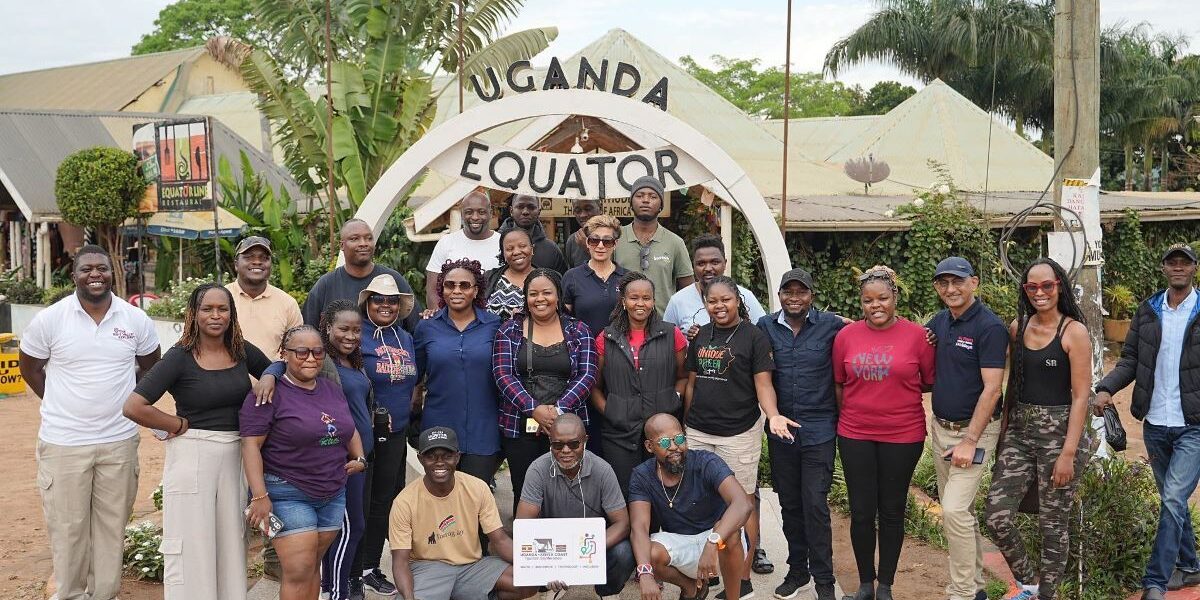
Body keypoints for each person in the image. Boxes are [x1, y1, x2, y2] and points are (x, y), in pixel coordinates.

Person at [19, 245, 161, 600]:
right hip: (64, 443)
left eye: (102, 268)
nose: (95, 274)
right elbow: (30, 369)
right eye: (86, 269)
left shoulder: (135, 320)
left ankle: (104, 594)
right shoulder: (50, 320)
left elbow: (151, 371)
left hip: (119, 442)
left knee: (112, 527)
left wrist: (129, 406)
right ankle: (70, 594)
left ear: (113, 273)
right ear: (74, 276)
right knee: (69, 529)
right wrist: (61, 404)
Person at [122, 283, 271, 600]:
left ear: (231, 314)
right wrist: (175, 423)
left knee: (232, 541)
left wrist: (268, 377)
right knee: (193, 543)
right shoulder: (180, 357)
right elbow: (134, 406)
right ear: (194, 313)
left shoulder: (240, 350)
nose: (216, 315)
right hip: (193, 455)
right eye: (208, 309)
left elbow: (275, 367)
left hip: (235, 455)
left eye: (223, 309)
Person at [1095, 243, 1200, 600]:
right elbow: (1129, 360)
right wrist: (1106, 388)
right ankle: (1190, 565)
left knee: (1172, 498)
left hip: (1193, 425)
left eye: (1184, 263)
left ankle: (1155, 582)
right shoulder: (1148, 311)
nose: (1178, 268)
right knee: (1173, 500)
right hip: (1155, 423)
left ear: (1194, 268)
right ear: (1163, 268)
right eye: (1172, 262)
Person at [984, 258, 1093, 600]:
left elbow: (1081, 396)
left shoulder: (1073, 332)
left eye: (1047, 285)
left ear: (1059, 286)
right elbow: (1012, 385)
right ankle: (1029, 584)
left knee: (1052, 524)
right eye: (1032, 286)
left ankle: (1047, 595)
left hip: (1060, 435)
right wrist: (1004, 435)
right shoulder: (1018, 327)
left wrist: (1068, 454)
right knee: (997, 517)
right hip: (1020, 433)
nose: (1039, 292)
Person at [685, 275, 794, 600]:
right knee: (703, 501)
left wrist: (773, 415)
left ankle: (743, 576)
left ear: (737, 301)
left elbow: (764, 384)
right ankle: (711, 570)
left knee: (742, 503)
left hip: (738, 433)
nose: (719, 306)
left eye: (725, 300)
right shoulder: (701, 335)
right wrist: (686, 421)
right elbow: (692, 382)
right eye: (712, 301)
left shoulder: (754, 337)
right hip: (698, 431)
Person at [240, 325, 368, 600]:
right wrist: (259, 496)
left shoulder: (332, 389)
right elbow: (250, 445)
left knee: (312, 567)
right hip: (287, 492)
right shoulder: (267, 393)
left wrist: (359, 457)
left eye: (317, 352)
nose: (311, 358)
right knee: (298, 571)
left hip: (332, 493)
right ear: (284, 354)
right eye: (301, 352)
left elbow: (349, 427)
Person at [833, 265, 935, 600]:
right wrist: (853, 416)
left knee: (892, 510)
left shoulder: (918, 337)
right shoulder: (846, 337)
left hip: (903, 435)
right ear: (861, 302)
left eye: (883, 298)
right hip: (855, 434)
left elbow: (929, 381)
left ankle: (886, 585)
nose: (876, 305)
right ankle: (866, 583)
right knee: (862, 511)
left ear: (895, 298)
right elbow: (839, 384)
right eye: (868, 300)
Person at [755, 268, 845, 600]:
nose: (794, 298)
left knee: (815, 504)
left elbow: (865, 327)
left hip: (819, 429)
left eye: (801, 292)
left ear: (811, 295)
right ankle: (798, 571)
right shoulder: (765, 326)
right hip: (782, 432)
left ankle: (824, 581)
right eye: (788, 292)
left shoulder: (830, 325)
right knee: (790, 504)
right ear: (779, 295)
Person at [923, 257, 1009, 600]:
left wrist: (970, 440)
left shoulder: (989, 327)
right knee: (962, 514)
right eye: (943, 283)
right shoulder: (940, 322)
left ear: (973, 283)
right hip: (941, 429)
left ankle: (961, 592)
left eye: (957, 281)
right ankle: (976, 589)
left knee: (955, 510)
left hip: (974, 433)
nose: (950, 289)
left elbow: (993, 389)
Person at [493, 268, 597, 514]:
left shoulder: (579, 330)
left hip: (569, 425)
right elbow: (503, 375)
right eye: (533, 294)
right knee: (525, 491)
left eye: (547, 293)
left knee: (569, 491)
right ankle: (526, 538)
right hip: (520, 425)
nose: (540, 299)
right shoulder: (509, 330)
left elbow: (588, 374)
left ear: (558, 295)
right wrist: (534, 410)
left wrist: (558, 412)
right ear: (525, 298)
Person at [389, 426, 536, 600]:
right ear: (421, 459)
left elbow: (500, 540)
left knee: (528, 582)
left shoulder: (477, 487)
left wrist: (537, 569)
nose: (439, 462)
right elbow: (400, 561)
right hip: (428, 569)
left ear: (457, 457)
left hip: (471, 567)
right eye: (431, 456)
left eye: (447, 456)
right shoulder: (404, 502)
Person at [629, 413, 753, 600]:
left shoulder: (706, 462)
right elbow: (639, 527)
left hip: (718, 544)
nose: (674, 447)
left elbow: (743, 504)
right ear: (649, 446)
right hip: (681, 543)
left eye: (679, 439)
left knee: (730, 533)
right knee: (649, 553)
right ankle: (691, 587)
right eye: (664, 442)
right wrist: (645, 572)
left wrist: (713, 542)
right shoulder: (642, 475)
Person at [515, 414, 635, 598]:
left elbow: (623, 524)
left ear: (585, 441)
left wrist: (582, 550)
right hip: (553, 546)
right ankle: (550, 586)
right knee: (521, 555)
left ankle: (606, 591)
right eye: (557, 445)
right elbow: (524, 526)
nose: (565, 450)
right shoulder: (537, 469)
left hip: (590, 544)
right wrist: (547, 565)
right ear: (550, 442)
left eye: (573, 444)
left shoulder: (603, 470)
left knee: (624, 553)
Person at [593, 271, 688, 496]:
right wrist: (611, 410)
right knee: (625, 492)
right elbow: (595, 386)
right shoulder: (606, 338)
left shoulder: (671, 333)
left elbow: (683, 376)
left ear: (653, 302)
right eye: (634, 298)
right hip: (619, 433)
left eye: (646, 298)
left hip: (662, 434)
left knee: (663, 492)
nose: (640, 303)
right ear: (623, 301)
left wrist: (672, 400)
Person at [356, 274, 420, 596]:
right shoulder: (357, 333)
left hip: (395, 433)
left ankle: (370, 567)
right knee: (361, 502)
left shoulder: (405, 337)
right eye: (378, 299)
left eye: (392, 300)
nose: (385, 305)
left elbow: (413, 382)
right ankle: (351, 569)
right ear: (368, 303)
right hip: (364, 433)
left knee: (384, 501)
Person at [415, 258, 504, 483]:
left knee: (477, 496)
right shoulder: (426, 327)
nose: (456, 291)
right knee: (440, 497)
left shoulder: (495, 325)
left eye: (464, 285)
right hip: (438, 426)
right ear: (442, 289)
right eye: (450, 285)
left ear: (476, 291)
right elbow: (414, 377)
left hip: (483, 428)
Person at [303, 218, 422, 332]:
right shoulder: (326, 285)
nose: (363, 243)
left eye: (369, 238)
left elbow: (416, 327)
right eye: (355, 239)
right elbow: (309, 331)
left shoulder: (392, 279)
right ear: (342, 245)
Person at [612, 176, 694, 314]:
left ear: (661, 204)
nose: (645, 200)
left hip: (664, 322)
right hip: (623, 321)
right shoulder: (615, 238)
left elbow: (688, 290)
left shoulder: (675, 242)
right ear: (630, 203)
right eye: (639, 195)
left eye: (653, 196)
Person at [664, 234, 767, 340]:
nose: (708, 268)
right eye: (701, 263)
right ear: (693, 266)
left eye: (715, 262)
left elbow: (763, 336)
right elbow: (666, 342)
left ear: (725, 263)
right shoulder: (678, 301)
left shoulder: (745, 296)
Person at [227, 236, 303, 356]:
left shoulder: (288, 304)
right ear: (236, 264)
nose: (257, 262)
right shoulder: (221, 299)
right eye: (249, 257)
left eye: (264, 258)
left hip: (273, 368)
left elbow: (296, 348)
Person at [424, 190, 501, 308]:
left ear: (490, 213)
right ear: (462, 214)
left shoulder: (502, 243)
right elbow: (432, 291)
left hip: (496, 316)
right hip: (452, 317)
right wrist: (440, 318)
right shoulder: (446, 242)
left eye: (481, 212)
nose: (475, 217)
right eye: (469, 212)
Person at [563, 214, 629, 340]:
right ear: (587, 242)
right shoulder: (572, 277)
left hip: (621, 348)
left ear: (615, 244)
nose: (600, 246)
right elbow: (564, 320)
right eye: (594, 240)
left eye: (607, 241)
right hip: (583, 348)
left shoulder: (628, 278)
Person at [498, 194, 568, 273]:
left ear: (539, 212)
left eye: (531, 207)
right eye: (520, 207)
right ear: (511, 211)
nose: (525, 212)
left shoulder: (551, 250)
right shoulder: (496, 244)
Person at [485, 228, 537, 321]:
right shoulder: (488, 278)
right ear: (503, 254)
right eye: (509, 249)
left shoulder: (547, 279)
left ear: (532, 249)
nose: (516, 252)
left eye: (522, 246)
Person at [564, 199, 603, 268]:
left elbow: (615, 270)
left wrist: (588, 247)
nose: (582, 215)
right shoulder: (573, 240)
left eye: (588, 209)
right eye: (577, 211)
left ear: (600, 208)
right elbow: (572, 272)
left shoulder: (614, 236)